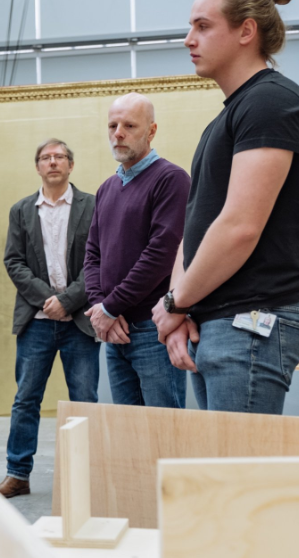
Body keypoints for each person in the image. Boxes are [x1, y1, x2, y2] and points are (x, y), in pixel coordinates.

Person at [152, 0, 299, 415]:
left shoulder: (270, 103)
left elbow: (240, 227)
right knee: (223, 472)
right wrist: (179, 307)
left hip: (251, 319)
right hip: (216, 321)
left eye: (203, 26)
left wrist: (176, 303)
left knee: (240, 475)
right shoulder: (231, 116)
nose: (189, 39)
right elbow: (197, 226)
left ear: (246, 31)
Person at [0, 139, 100, 499]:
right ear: (38, 166)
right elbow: (14, 262)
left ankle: (86, 474)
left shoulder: (93, 206)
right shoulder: (21, 210)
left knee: (83, 399)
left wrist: (68, 301)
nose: (52, 162)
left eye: (59, 157)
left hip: (79, 321)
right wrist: (48, 300)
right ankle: (17, 475)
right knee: (26, 399)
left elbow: (100, 262)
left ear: (71, 165)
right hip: (35, 322)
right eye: (45, 158)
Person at [84, 93, 190, 408]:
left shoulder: (171, 180)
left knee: (164, 431)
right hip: (114, 331)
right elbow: (92, 255)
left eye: (129, 125)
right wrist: (100, 306)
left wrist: (110, 307)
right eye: (113, 125)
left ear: (151, 131)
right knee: (127, 434)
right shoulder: (107, 188)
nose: (118, 132)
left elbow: (161, 255)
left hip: (152, 330)